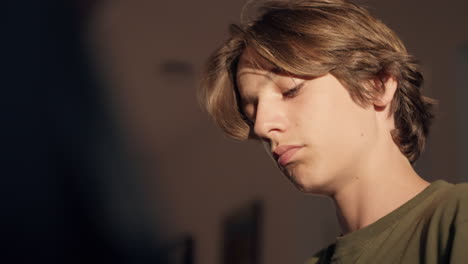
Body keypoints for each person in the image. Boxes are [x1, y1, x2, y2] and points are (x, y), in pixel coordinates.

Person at [199, 0, 468, 263]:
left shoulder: (457, 218)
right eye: (253, 110)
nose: (262, 126)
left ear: (377, 85)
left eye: (290, 90)